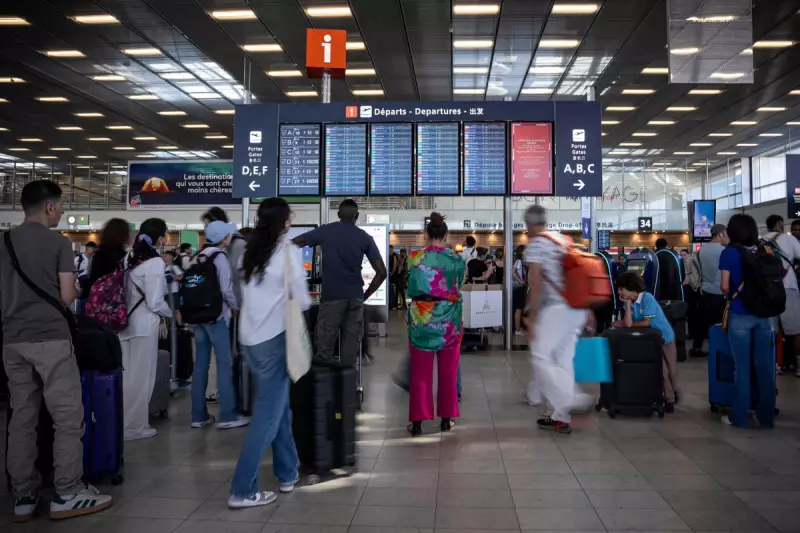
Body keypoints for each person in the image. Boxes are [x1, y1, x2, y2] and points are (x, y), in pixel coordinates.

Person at [1, 181, 113, 521]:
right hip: (51, 338)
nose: (63, 212)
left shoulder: (3, 241)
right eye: (62, 206)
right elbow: (66, 297)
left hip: (12, 341)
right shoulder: (58, 244)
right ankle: (67, 491)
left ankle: (23, 495)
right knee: (67, 418)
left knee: (22, 417)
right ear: (49, 207)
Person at [228, 198, 307, 509]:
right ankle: (242, 489)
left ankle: (288, 472)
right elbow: (301, 300)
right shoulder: (288, 253)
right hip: (274, 339)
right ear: (285, 221)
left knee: (279, 406)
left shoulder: (247, 252)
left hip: (249, 337)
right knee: (267, 416)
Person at [293, 199, 387, 366]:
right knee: (349, 352)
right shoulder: (365, 238)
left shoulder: (326, 231)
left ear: (338, 214)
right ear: (356, 216)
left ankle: (326, 389)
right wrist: (365, 295)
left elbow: (296, 242)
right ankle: (348, 388)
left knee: (324, 350)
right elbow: (382, 272)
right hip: (355, 299)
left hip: (331, 298)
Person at [524, 205, 590, 434]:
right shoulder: (563, 240)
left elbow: (536, 284)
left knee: (540, 356)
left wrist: (532, 318)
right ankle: (561, 416)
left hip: (557, 308)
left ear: (529, 224)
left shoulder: (536, 244)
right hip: (577, 308)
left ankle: (569, 399)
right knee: (563, 360)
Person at [406, 213, 464, 436]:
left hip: (421, 319)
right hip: (449, 319)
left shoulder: (415, 257)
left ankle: (418, 422)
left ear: (426, 234)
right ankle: (446, 419)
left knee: (420, 373)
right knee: (449, 372)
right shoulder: (456, 259)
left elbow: (410, 284)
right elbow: (459, 284)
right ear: (446, 235)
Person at [190, 220, 249, 430]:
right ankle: (228, 415)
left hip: (198, 317)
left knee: (200, 365)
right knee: (225, 364)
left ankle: (198, 415)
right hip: (217, 317)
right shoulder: (220, 257)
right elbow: (226, 288)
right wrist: (235, 306)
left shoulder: (198, 256)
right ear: (225, 238)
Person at [719, 214, 776, 428]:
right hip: (764, 317)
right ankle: (766, 416)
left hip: (740, 316)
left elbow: (725, 286)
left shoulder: (730, 253)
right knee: (764, 366)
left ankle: (739, 416)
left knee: (741, 368)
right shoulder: (765, 249)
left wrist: (731, 296)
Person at [119, 218, 173, 441]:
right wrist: (170, 313)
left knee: (126, 376)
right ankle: (136, 426)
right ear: (160, 238)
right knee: (142, 378)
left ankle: (121, 422)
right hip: (144, 325)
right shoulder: (155, 263)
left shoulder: (129, 257)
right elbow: (155, 302)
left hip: (123, 324)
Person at [614, 273, 680, 412]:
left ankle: (676, 392)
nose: (619, 292)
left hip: (665, 337)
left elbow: (645, 322)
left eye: (622, 289)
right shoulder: (630, 302)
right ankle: (669, 399)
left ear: (631, 287)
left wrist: (628, 324)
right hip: (650, 340)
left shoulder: (647, 298)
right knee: (661, 370)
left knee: (671, 370)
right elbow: (628, 322)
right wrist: (627, 305)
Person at [764, 215, 800, 375]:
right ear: (779, 224)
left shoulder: (761, 241)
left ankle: (774, 364)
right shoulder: (789, 239)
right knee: (796, 330)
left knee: (771, 329)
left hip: (767, 290)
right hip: (788, 287)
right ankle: (798, 366)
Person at [696, 224, 729, 357]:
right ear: (720, 234)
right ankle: (717, 348)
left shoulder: (702, 249)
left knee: (704, 320)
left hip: (704, 289)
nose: (727, 237)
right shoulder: (722, 251)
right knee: (719, 321)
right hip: (719, 290)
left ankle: (698, 346)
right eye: (726, 234)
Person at [81, 219, 130, 303]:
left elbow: (93, 277)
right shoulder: (124, 257)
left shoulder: (97, 255)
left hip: (93, 298)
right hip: (114, 302)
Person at [74, 241, 97, 315]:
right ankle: (79, 315)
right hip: (79, 282)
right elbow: (73, 270)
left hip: (89, 283)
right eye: (92, 248)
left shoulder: (93, 259)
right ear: (87, 248)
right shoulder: (79, 258)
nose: (93, 250)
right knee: (80, 299)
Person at [163, 250, 183, 324]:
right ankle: (171, 327)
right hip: (165, 292)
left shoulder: (174, 267)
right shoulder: (163, 266)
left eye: (166, 256)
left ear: (171, 257)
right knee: (167, 310)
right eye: (163, 256)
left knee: (176, 310)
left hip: (174, 291)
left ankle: (180, 326)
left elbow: (181, 276)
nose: (164, 257)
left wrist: (171, 278)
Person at [512, 244, 528, 336]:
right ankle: (518, 329)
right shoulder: (519, 261)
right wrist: (520, 280)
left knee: (520, 308)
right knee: (519, 308)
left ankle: (519, 328)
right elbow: (513, 272)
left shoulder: (521, 261)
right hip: (519, 287)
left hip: (522, 287)